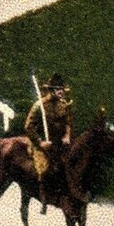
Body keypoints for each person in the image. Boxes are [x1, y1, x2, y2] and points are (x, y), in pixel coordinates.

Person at [24, 73, 77, 203]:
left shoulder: (64, 105)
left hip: (59, 141)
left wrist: (67, 135)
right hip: (42, 142)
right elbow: (28, 126)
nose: (61, 91)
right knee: (43, 167)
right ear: (52, 91)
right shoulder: (40, 106)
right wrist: (40, 142)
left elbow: (68, 123)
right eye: (58, 89)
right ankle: (42, 195)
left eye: (62, 89)